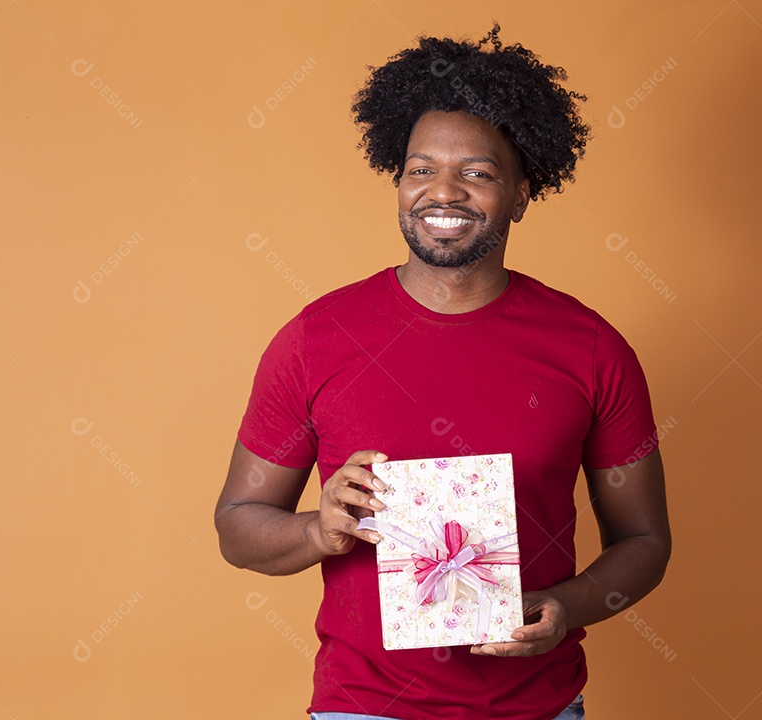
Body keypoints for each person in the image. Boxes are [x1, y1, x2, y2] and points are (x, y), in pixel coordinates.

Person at [215, 23, 671, 720]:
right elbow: (238, 526)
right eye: (421, 169)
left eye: (478, 172)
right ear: (397, 181)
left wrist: (563, 605)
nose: (444, 192)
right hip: (362, 708)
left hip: (538, 708)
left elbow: (644, 542)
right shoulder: (316, 338)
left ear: (521, 193)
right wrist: (319, 530)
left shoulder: (591, 348)